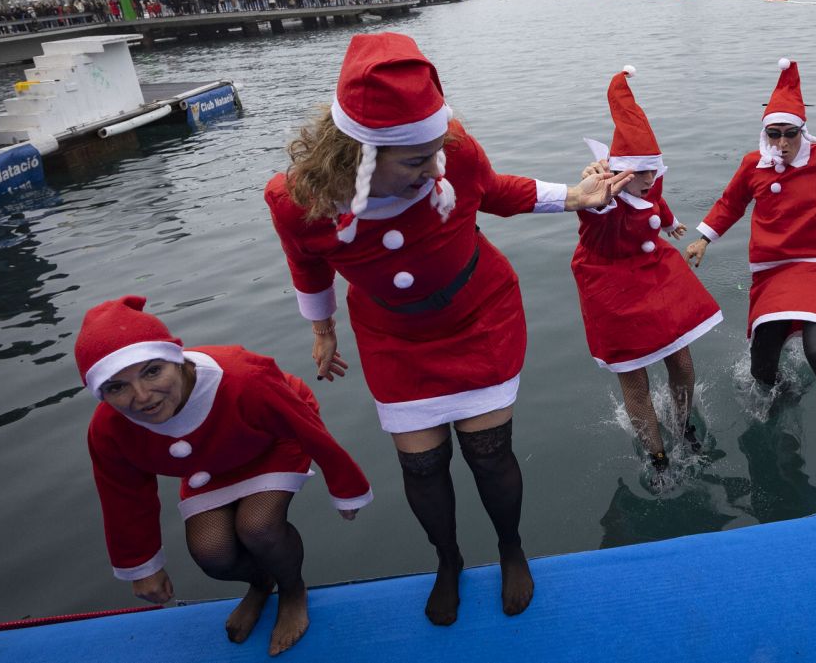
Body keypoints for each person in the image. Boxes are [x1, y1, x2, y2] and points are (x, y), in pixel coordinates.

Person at [264, 33, 631, 627]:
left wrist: (575, 197)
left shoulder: (452, 152)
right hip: (393, 338)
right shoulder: (295, 200)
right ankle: (449, 559)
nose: (435, 167)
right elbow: (305, 264)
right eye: (416, 160)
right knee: (423, 466)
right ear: (360, 154)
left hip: (478, 317)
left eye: (436, 151)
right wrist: (322, 328)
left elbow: (493, 189)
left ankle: (511, 547)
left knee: (490, 457)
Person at [78, 295, 372, 657]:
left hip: (273, 440)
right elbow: (123, 495)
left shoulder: (243, 378)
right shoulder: (109, 429)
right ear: (101, 393)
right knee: (211, 553)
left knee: (258, 526)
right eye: (117, 387)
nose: (142, 396)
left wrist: (346, 486)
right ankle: (261, 582)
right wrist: (141, 567)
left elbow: (304, 426)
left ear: (176, 359)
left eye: (152, 371)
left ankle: (293, 591)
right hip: (207, 466)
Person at [686, 58, 816, 499]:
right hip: (772, 270)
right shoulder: (753, 165)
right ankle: (779, 401)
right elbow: (730, 204)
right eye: (773, 133)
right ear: (765, 133)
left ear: (803, 131)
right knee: (763, 365)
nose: (781, 142)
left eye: (790, 133)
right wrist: (704, 237)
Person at [572, 66, 722, 485]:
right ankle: (658, 457)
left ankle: (683, 425)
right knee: (635, 376)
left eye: (653, 171)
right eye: (641, 173)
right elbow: (591, 217)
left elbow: (656, 198)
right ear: (620, 172)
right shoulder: (604, 199)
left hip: (653, 276)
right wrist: (591, 193)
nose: (649, 180)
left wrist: (670, 222)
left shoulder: (647, 182)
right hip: (610, 289)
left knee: (682, 360)